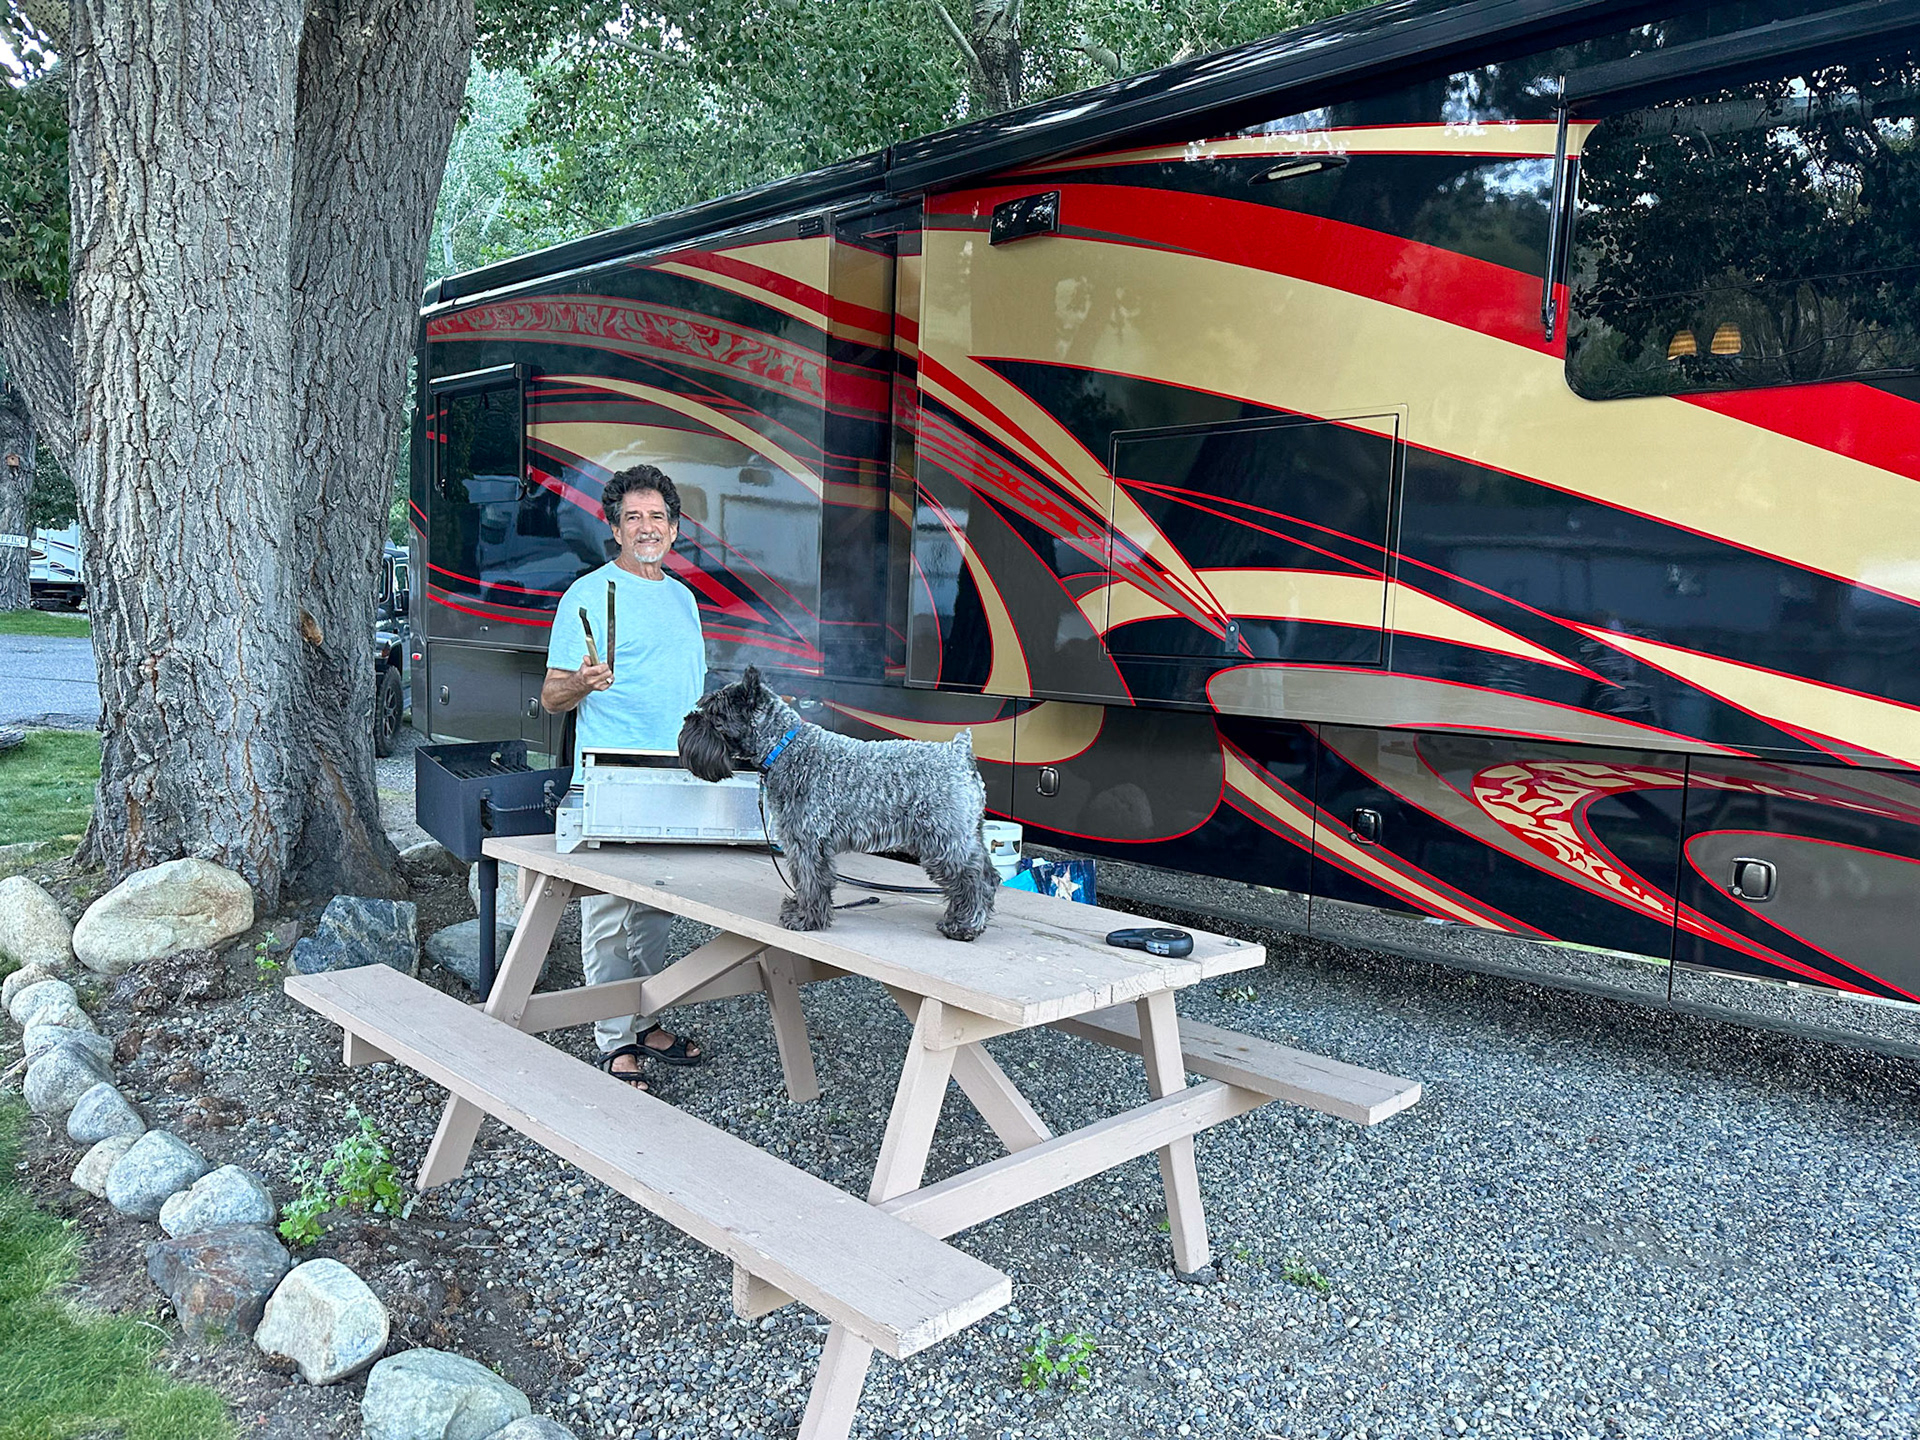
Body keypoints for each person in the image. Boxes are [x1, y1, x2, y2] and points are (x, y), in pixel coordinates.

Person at [543, 464, 707, 1091]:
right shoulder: (587, 595)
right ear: (614, 527)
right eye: (633, 517)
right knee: (609, 913)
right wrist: (582, 681)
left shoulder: (683, 599)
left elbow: (689, 691)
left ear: (674, 528)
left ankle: (646, 1017)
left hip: (676, 775)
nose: (646, 528)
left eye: (657, 517)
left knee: (656, 908)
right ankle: (614, 1040)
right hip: (612, 775)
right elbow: (552, 697)